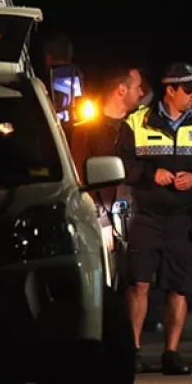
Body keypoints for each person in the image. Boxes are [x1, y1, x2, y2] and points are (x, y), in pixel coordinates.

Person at [117, 62, 192, 375]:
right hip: (146, 215)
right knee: (138, 283)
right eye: (188, 90)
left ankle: (172, 353)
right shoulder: (136, 121)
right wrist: (151, 174)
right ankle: (133, 351)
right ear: (170, 90)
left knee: (179, 287)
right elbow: (121, 161)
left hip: (185, 216)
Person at [70, 66, 145, 254]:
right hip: (103, 227)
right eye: (138, 87)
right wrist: (101, 221)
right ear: (122, 90)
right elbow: (80, 180)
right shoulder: (85, 131)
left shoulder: (135, 128)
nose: (142, 93)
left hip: (136, 223)